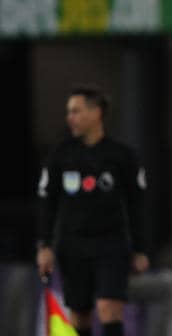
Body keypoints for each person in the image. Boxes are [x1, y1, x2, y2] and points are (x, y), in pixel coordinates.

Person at [36, 87, 149, 336]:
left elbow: (136, 204)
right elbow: (47, 202)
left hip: (111, 244)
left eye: (76, 111)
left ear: (96, 112)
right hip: (73, 245)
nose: (70, 118)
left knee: (109, 307)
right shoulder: (60, 155)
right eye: (69, 112)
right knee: (80, 315)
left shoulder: (122, 156)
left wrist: (140, 248)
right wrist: (45, 245)